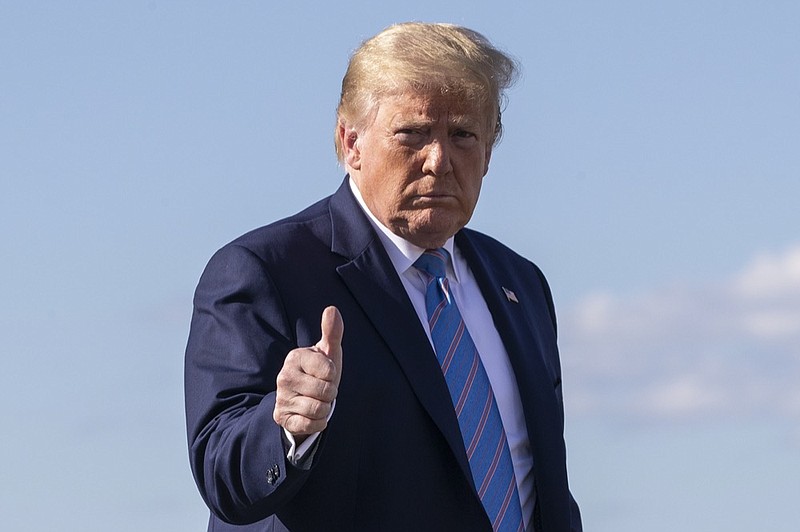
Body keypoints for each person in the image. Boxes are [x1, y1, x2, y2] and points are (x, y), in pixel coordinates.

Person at [185, 22, 582, 532]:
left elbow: (540, 482)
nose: (438, 160)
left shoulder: (521, 285)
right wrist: (285, 425)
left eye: (462, 134)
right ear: (350, 142)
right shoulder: (265, 271)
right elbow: (223, 478)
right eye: (412, 133)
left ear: (488, 154)